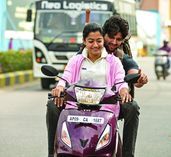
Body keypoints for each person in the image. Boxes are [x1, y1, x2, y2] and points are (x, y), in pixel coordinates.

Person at [47, 23, 132, 157]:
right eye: (91, 41)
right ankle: (52, 152)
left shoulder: (114, 61)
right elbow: (66, 77)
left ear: (103, 40)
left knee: (133, 107)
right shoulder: (76, 60)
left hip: (105, 106)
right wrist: (59, 87)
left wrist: (123, 91)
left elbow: (120, 81)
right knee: (52, 105)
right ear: (84, 41)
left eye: (99, 41)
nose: (95, 45)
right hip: (76, 105)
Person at [102, 15, 148, 157]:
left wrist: (139, 79)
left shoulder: (120, 58)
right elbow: (69, 74)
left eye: (118, 39)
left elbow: (134, 74)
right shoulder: (86, 51)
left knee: (132, 106)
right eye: (111, 37)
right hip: (84, 101)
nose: (114, 42)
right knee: (53, 105)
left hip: (112, 103)